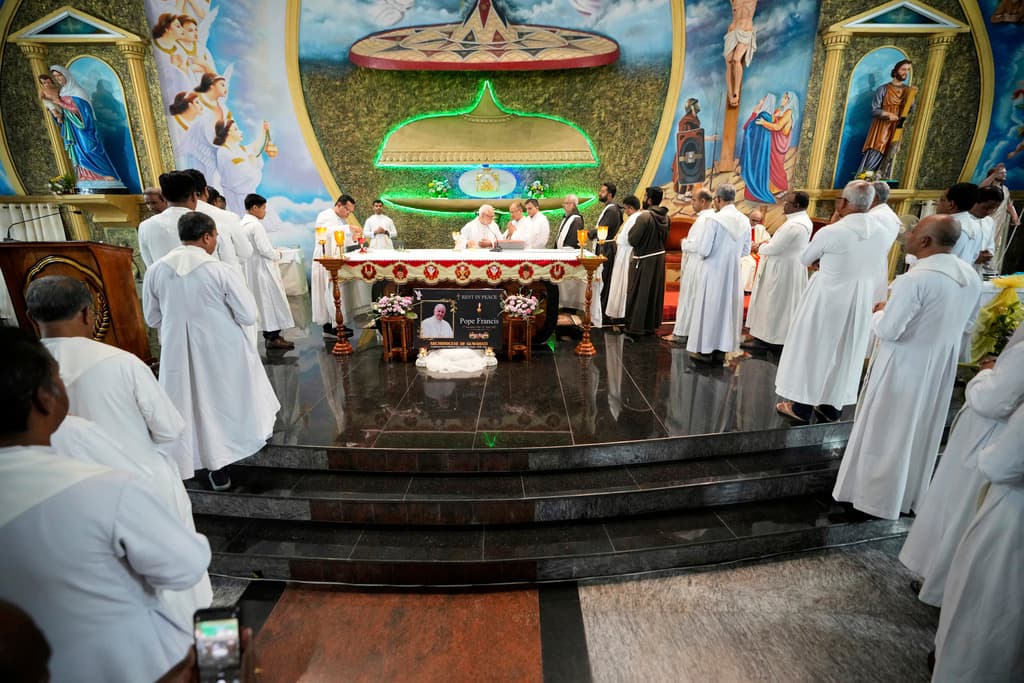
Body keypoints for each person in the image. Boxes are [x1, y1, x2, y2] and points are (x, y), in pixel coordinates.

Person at [0, 327, 211, 683]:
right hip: (136, 667)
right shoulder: (103, 488)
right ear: (43, 398)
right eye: (57, 377)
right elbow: (184, 567)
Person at [25, 274, 211, 621]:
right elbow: (169, 428)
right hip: (138, 485)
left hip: (57, 501)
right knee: (173, 591)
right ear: (87, 314)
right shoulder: (121, 362)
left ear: (32, 315)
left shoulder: (20, 372)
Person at [831, 215, 980, 519]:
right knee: (918, 431)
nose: (908, 234)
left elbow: (889, 331)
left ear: (925, 241)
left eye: (914, 231)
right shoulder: (970, 276)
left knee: (886, 431)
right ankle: (906, 495)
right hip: (938, 368)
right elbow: (969, 325)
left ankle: (871, 499)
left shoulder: (916, 279)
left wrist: (879, 313)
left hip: (903, 366)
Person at [142, 211, 279, 490]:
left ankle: (205, 464)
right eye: (215, 236)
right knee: (226, 401)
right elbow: (248, 314)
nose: (215, 240)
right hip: (222, 350)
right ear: (206, 237)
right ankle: (233, 451)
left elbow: (152, 319)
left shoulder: (156, 269)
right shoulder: (219, 270)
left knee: (188, 404)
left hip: (177, 352)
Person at [899, 323, 1024, 607]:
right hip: (999, 443)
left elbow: (994, 401)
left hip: (988, 440)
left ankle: (941, 588)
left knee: (959, 514)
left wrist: (984, 375)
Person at [774, 180, 892, 423]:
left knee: (814, 347)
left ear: (845, 202)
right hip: (860, 298)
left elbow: (805, 258)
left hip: (827, 296)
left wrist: (829, 239)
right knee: (845, 350)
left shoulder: (833, 231)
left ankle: (802, 407)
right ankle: (830, 408)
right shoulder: (882, 232)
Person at [931, 400, 1024, 682]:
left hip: (1013, 515)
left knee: (989, 599)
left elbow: (1001, 465)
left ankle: (959, 670)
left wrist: (986, 453)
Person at [686, 184, 750, 362]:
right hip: (733, 273)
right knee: (726, 311)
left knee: (710, 309)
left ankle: (706, 350)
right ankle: (722, 350)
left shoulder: (714, 220)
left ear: (719, 200)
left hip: (713, 271)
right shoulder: (745, 220)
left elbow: (704, 249)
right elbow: (745, 251)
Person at [743, 191, 813, 348]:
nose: (784, 206)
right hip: (790, 267)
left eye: (787, 203)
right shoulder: (804, 221)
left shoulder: (793, 225)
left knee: (773, 303)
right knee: (783, 304)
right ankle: (773, 337)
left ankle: (767, 338)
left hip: (781, 269)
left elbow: (774, 248)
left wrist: (760, 247)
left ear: (796, 206)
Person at [44, 65, 123, 188]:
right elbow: (64, 115)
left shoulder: (78, 92)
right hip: (73, 129)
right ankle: (86, 177)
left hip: (84, 128)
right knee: (79, 154)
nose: (58, 78)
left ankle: (107, 175)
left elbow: (80, 111)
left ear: (66, 75)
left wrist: (60, 103)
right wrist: (56, 113)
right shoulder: (62, 92)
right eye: (55, 77)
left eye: (59, 75)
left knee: (89, 149)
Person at [241, 194, 295, 350]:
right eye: (263, 208)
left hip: (252, 269)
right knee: (270, 301)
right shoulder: (255, 226)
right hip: (263, 270)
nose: (265, 211)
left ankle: (271, 335)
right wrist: (277, 254)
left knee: (263, 303)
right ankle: (273, 337)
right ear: (254, 208)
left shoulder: (242, 224)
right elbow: (264, 249)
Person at [183, 168, 253, 284]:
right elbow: (246, 251)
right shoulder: (227, 217)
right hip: (228, 283)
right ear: (206, 191)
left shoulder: (167, 221)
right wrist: (231, 259)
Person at [662, 191, 715, 344]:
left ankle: (681, 333)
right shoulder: (709, 218)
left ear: (703, 201)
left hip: (695, 264)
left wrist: (684, 243)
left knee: (688, 299)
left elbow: (698, 246)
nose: (692, 203)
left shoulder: (705, 219)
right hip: (698, 264)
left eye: (694, 200)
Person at [312, 194, 367, 339]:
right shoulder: (325, 215)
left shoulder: (339, 220)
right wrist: (349, 228)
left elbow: (339, 239)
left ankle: (337, 323)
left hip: (335, 258)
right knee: (327, 291)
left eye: (350, 212)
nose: (349, 214)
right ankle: (329, 326)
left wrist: (353, 239)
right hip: (325, 259)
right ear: (339, 205)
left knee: (336, 291)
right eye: (347, 210)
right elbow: (327, 233)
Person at [624, 186, 670, 339]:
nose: (643, 199)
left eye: (645, 196)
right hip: (658, 260)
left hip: (643, 260)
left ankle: (635, 328)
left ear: (649, 200)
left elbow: (632, 239)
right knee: (653, 293)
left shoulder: (645, 217)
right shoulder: (666, 217)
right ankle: (650, 326)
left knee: (638, 293)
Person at [857, 59, 916, 177]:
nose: (905, 72)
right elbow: (874, 110)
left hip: (896, 127)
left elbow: (911, 110)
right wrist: (888, 114)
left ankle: (881, 179)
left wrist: (911, 98)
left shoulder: (907, 91)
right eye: (903, 69)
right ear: (895, 71)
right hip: (881, 127)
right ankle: (865, 178)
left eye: (908, 70)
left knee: (890, 153)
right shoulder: (883, 89)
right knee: (877, 149)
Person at [138, 171, 198, 267]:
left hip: (164, 281)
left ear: (164, 198)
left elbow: (150, 266)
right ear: (193, 197)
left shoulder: (145, 226)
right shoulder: (204, 222)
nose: (150, 207)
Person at [213, 119, 270, 217]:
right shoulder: (223, 152)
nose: (240, 132)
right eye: (236, 129)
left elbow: (255, 147)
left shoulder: (238, 149)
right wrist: (252, 164)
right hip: (238, 199)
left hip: (248, 197)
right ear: (227, 133)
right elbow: (241, 175)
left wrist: (264, 132)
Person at [606, 195, 642, 324]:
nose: (625, 211)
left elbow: (627, 239)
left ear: (631, 208)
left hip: (625, 254)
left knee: (621, 282)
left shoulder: (634, 219)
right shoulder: (635, 218)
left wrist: (619, 239)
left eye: (626, 209)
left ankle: (619, 312)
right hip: (623, 253)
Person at [979, 163, 1020, 272]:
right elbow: (979, 189)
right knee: (983, 242)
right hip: (986, 220)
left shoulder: (1005, 189)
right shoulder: (987, 188)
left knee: (994, 243)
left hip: (998, 221)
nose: (1004, 174)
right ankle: (979, 263)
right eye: (1001, 173)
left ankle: (987, 264)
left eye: (1005, 173)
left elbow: (1008, 204)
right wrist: (993, 175)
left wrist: (1014, 216)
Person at [593, 182, 622, 313]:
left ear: (610, 195)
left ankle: (601, 311)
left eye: (603, 191)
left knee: (603, 279)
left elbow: (602, 229)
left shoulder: (612, 210)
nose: (600, 193)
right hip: (604, 246)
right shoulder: (609, 208)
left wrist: (588, 233)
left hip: (606, 248)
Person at [937, 182, 983, 265]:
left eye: (942, 199)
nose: (937, 203)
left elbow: (930, 258)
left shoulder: (945, 226)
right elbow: (975, 256)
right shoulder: (977, 226)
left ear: (951, 204)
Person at [724, 0, 758, 108]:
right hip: (733, 29)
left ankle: (736, 92)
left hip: (746, 29)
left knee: (736, 59)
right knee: (729, 61)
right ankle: (730, 94)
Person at [739, 208, 769, 292]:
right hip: (744, 253)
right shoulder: (742, 227)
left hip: (756, 252)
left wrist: (759, 245)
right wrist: (747, 246)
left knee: (765, 261)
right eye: (753, 220)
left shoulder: (760, 228)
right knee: (749, 264)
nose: (755, 223)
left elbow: (767, 240)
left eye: (757, 221)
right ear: (749, 217)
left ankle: (757, 288)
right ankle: (745, 288)